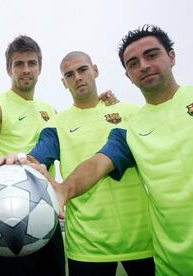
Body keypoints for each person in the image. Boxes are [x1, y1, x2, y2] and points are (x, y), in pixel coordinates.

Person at [41, 25, 193, 275]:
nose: (143, 65)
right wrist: (63, 190)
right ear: (127, 75)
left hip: (150, 247)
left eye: (152, 55)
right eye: (133, 63)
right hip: (173, 264)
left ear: (172, 57)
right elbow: (98, 163)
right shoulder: (130, 129)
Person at [0, 35, 116, 276]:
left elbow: (77, 122)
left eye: (31, 63)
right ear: (9, 69)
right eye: (19, 64)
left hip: (47, 208)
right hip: (5, 212)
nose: (26, 70)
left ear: (40, 67)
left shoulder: (50, 110)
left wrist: (99, 104)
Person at [27, 51, 155, 275]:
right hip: (87, 245)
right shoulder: (56, 125)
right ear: (64, 82)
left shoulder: (131, 113)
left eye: (83, 69)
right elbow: (34, 158)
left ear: (95, 70)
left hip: (144, 239)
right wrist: (15, 162)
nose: (77, 77)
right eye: (69, 74)